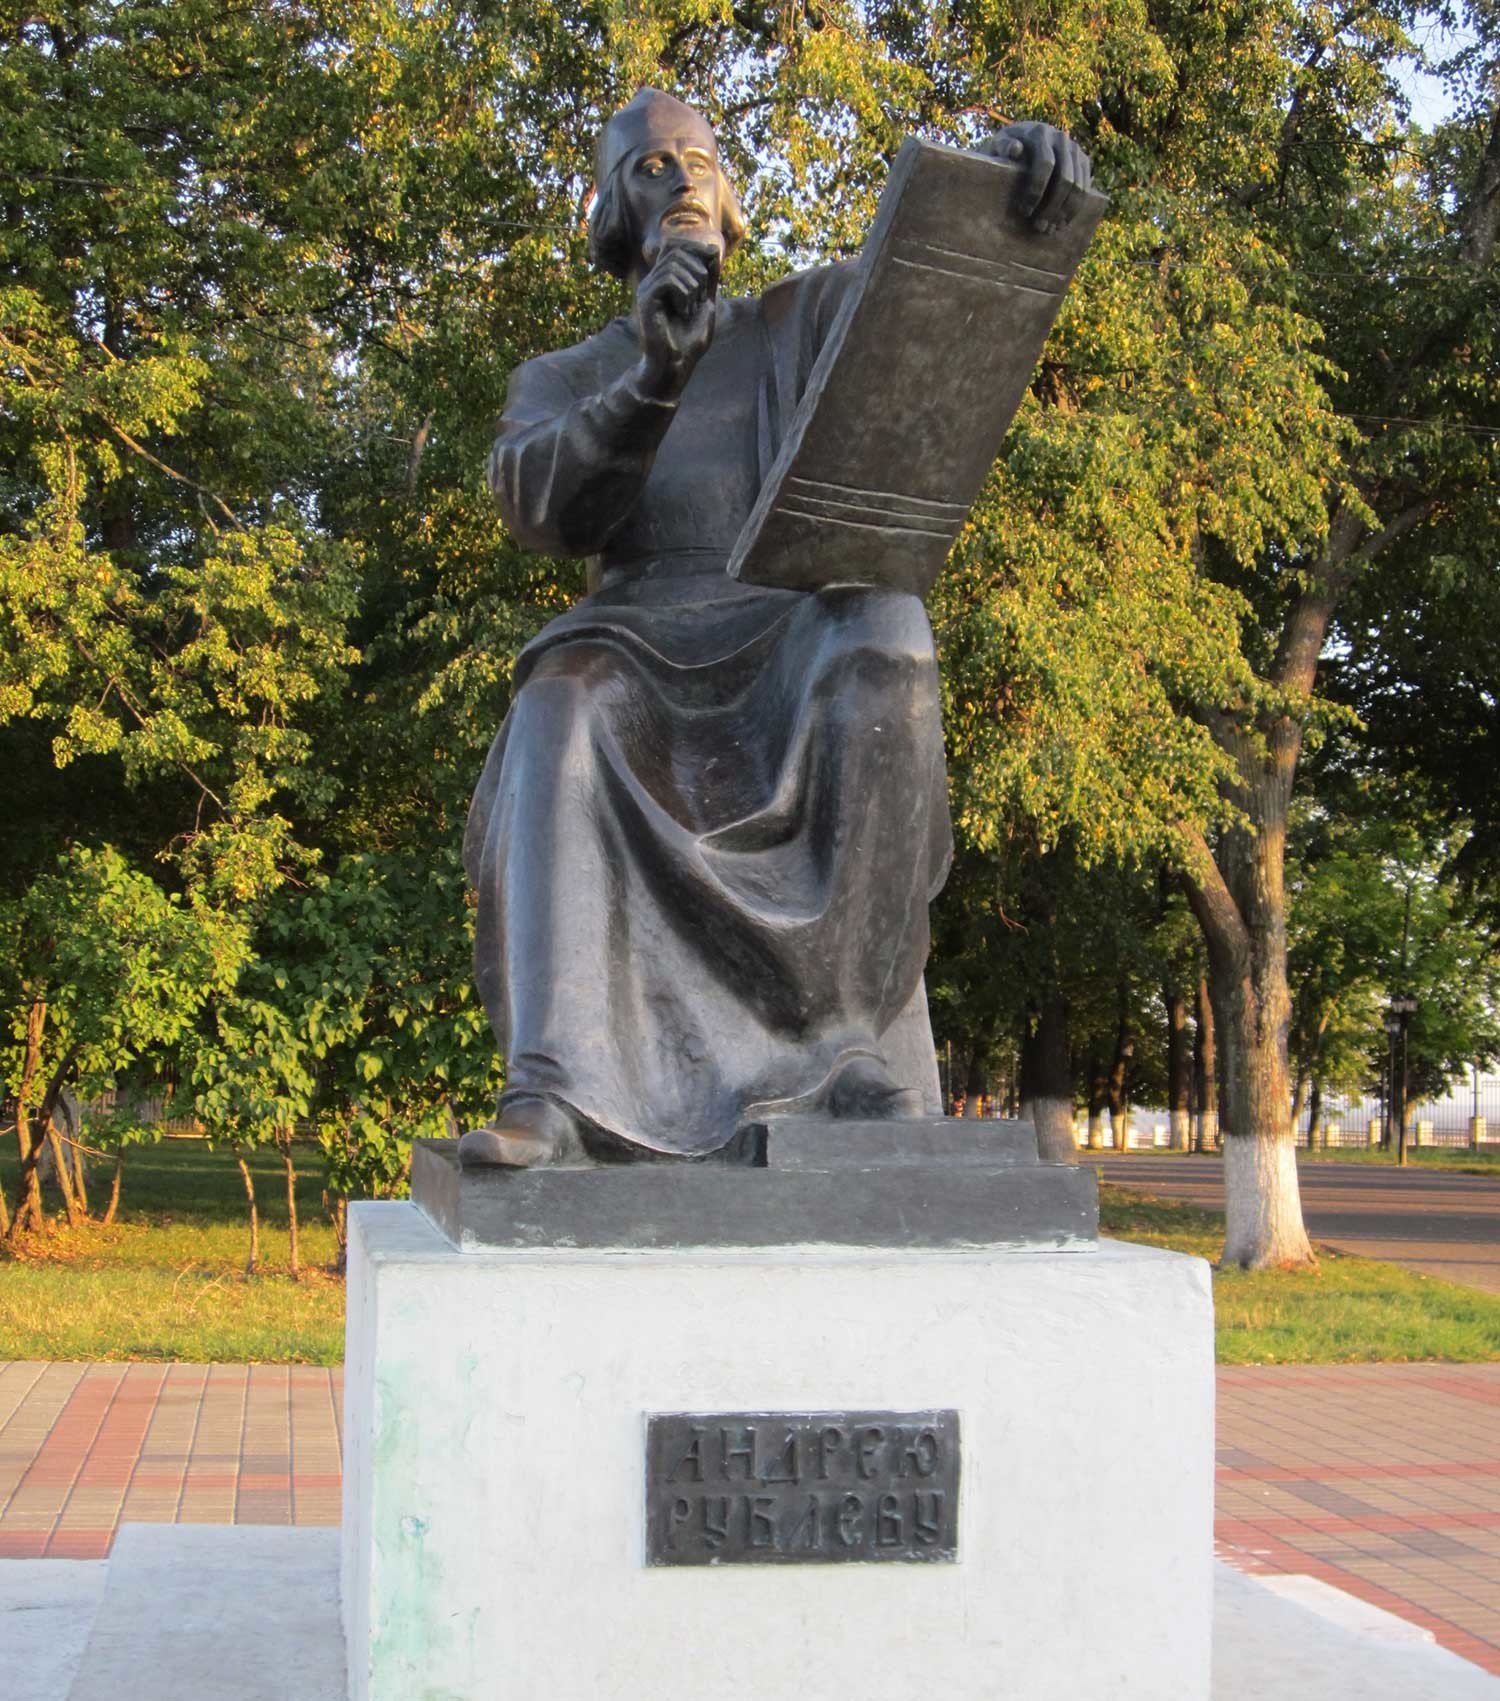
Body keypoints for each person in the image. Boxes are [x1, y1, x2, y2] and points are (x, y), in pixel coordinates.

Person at [461, 90, 1091, 1167]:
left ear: (731, 193)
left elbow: (922, 305)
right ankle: (554, 1092)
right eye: (651, 166)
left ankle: (848, 1053)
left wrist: (1005, 178)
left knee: (887, 632)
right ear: (614, 211)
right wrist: (656, 376)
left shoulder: (802, 320)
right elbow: (542, 505)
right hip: (634, 640)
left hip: (788, 630)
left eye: (700, 160)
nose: (684, 179)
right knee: (558, 709)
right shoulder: (565, 375)